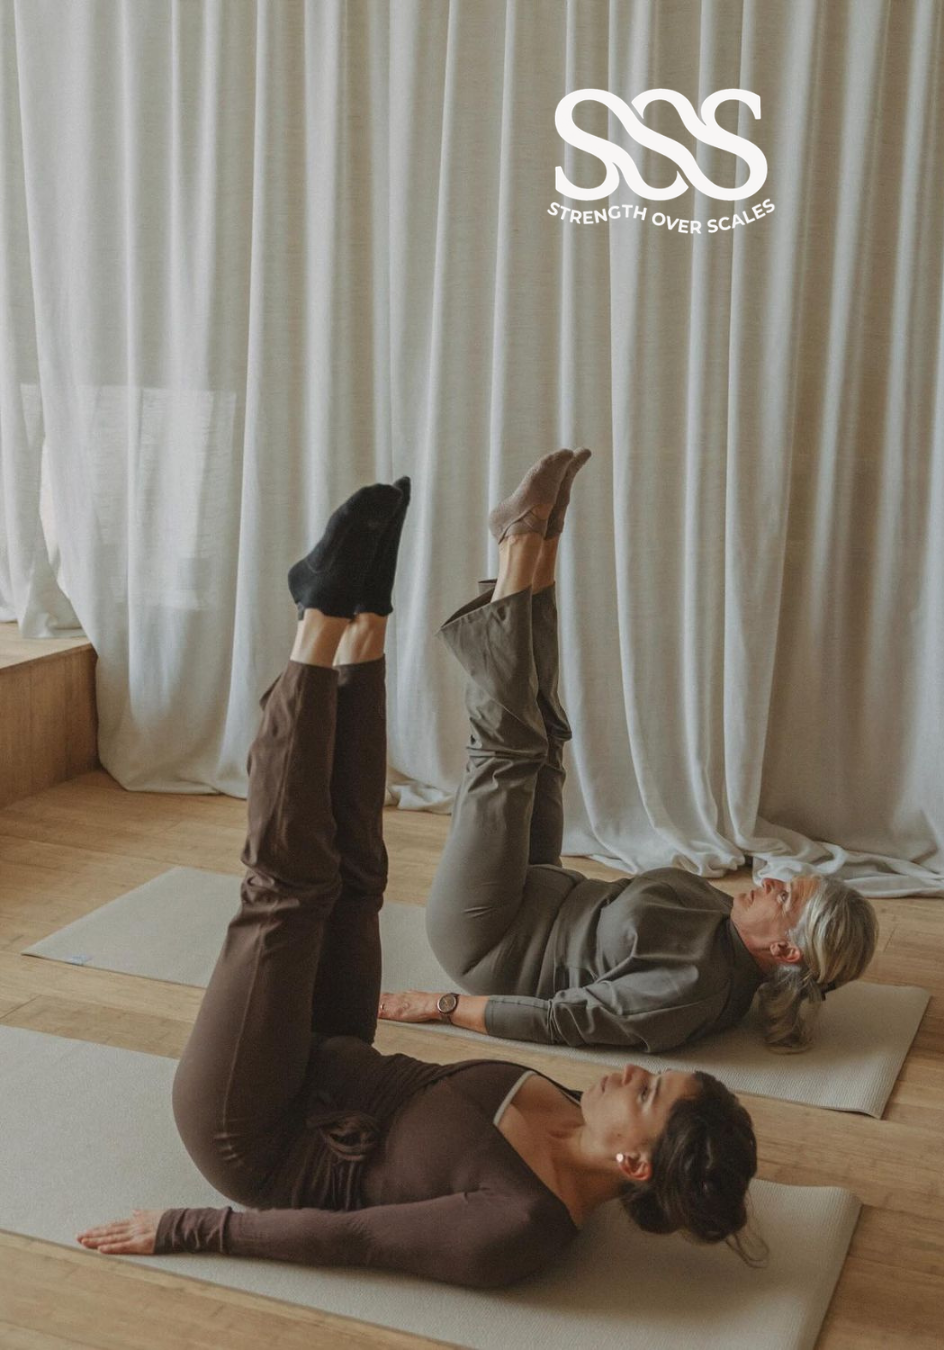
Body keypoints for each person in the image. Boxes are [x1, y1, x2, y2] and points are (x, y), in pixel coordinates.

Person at [76, 473, 760, 1286]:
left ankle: (318, 621)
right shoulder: (577, 1109)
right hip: (336, 1060)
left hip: (256, 1131)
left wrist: (186, 1227)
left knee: (287, 897)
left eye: (648, 1096)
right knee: (360, 880)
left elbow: (357, 1241)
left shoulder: (519, 1226)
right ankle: (366, 619)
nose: (636, 1076)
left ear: (633, 1164)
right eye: (656, 1077)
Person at [380, 450, 879, 1056]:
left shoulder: (692, 991)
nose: (771, 880)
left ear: (784, 949)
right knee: (545, 739)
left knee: (506, 752)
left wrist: (439, 1006)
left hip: (489, 934)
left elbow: (566, 1020)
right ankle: (542, 540)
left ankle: (518, 542)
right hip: (541, 886)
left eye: (785, 896)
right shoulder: (732, 922)